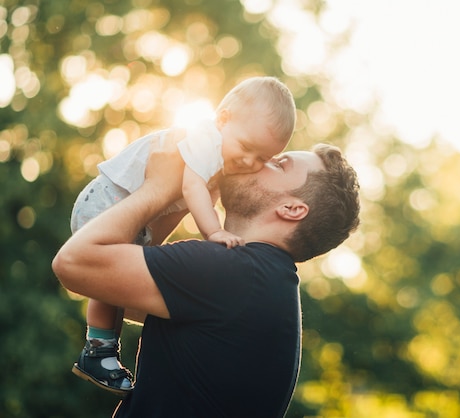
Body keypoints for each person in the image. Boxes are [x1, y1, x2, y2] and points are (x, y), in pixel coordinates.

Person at [52, 136, 360, 417]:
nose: (260, 159)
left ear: (292, 208)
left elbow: (74, 263)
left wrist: (159, 186)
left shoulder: (232, 272)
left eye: (279, 163)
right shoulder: (262, 281)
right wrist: (186, 195)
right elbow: (113, 285)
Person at [67, 76, 296, 396]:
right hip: (107, 204)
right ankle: (99, 350)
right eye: (246, 147)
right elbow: (191, 188)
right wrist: (214, 230)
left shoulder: (218, 151)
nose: (248, 162)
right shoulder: (205, 141)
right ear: (223, 118)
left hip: (120, 209)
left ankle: (103, 349)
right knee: (109, 277)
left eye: (261, 158)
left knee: (115, 282)